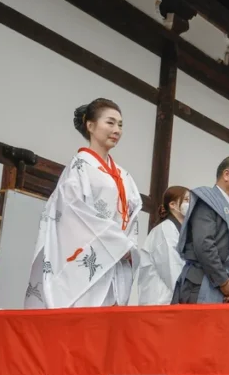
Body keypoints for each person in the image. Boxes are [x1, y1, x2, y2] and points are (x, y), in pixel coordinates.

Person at [25, 99, 142, 309]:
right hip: (91, 262)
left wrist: (127, 247)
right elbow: (71, 213)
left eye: (120, 125)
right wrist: (117, 243)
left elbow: (133, 216)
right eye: (111, 123)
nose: (117, 130)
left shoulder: (125, 176)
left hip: (116, 263)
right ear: (90, 125)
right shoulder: (80, 166)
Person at [172, 156, 229, 304]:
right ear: (227, 174)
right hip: (201, 282)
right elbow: (204, 245)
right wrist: (223, 282)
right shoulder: (206, 201)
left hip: (228, 287)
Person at [136, 185, 189, 305]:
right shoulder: (165, 230)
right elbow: (172, 268)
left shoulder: (179, 230)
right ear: (173, 205)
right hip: (160, 301)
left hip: (170, 300)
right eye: (186, 200)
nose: (190, 204)